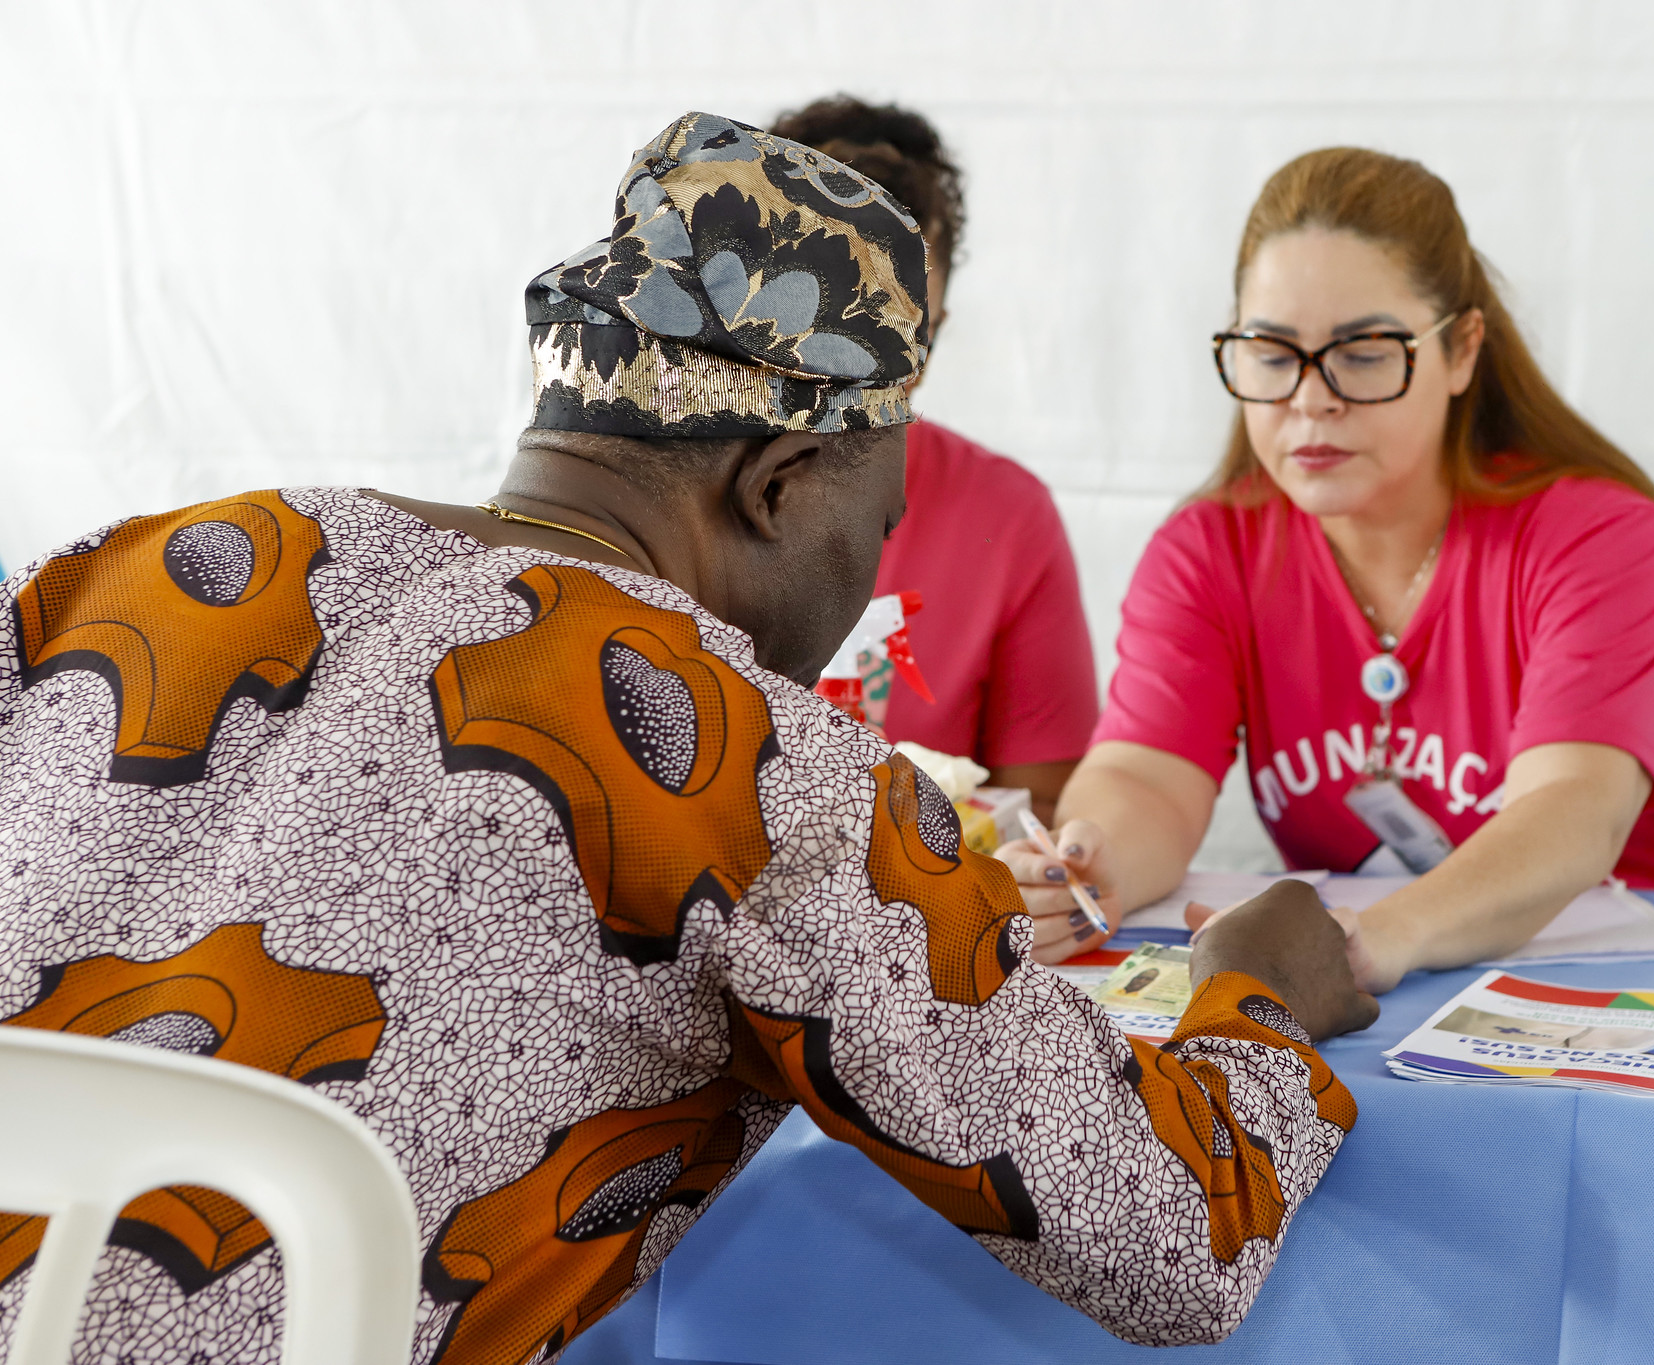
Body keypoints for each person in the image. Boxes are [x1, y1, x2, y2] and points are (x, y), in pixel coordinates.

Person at [0, 114, 1377, 1364]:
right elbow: (1174, 1243)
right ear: (782, 486)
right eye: (879, 524)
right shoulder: (763, 767)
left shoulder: (136, 565)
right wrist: (1258, 1001)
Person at [1003, 146, 1654, 982]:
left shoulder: (1598, 535)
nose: (1310, 398)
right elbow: (1146, 775)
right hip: (1388, 992)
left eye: (1364, 354)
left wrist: (1372, 937)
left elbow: (1573, 812)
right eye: (1271, 355)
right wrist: (1091, 862)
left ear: (1461, 351)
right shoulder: (1208, 551)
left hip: (1638, 989)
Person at [769, 96, 1097, 825]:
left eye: (903, 340)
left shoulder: (1006, 516)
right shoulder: (659, 487)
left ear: (938, 325)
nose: (863, 378)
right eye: (831, 327)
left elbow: (1041, 812)